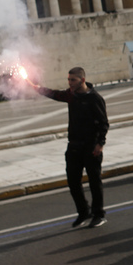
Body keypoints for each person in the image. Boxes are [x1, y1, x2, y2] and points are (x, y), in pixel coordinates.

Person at [33, 67, 108, 228]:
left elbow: (104, 123)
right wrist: (38, 89)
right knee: (73, 182)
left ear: (82, 80)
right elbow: (55, 94)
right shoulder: (71, 95)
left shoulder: (95, 98)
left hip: (91, 147)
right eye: (68, 80)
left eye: (72, 80)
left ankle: (98, 214)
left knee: (94, 181)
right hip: (74, 146)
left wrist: (100, 143)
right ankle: (83, 212)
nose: (69, 83)